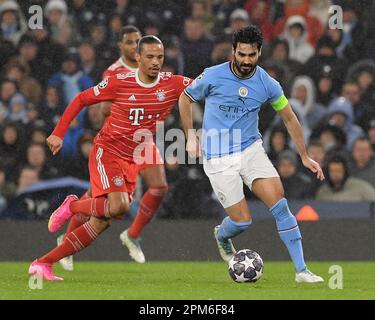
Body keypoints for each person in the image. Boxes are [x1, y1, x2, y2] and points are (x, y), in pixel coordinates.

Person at [28, 35, 192, 280]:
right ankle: (71, 206)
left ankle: (43, 263)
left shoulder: (173, 83)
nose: (156, 62)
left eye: (159, 57)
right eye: (149, 56)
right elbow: (82, 98)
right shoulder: (119, 82)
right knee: (120, 206)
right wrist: (59, 133)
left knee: (101, 222)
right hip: (108, 152)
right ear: (137, 57)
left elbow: (206, 84)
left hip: (132, 158)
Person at [179, 26, 324, 283]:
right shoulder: (212, 76)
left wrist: (303, 155)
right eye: (242, 54)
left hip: (250, 150)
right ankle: (222, 236)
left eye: (252, 55)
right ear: (233, 52)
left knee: (280, 206)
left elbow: (289, 118)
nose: (246, 60)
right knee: (243, 223)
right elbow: (185, 97)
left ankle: (302, 270)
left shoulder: (268, 84)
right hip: (218, 157)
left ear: (259, 53)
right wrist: (190, 136)